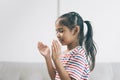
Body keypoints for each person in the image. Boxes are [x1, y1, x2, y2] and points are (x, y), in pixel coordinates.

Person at [37, 12, 97, 80]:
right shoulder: (64, 54)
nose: (58, 35)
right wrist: (47, 57)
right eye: (57, 31)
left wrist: (56, 60)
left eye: (61, 31)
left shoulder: (78, 54)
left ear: (75, 30)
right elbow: (55, 78)